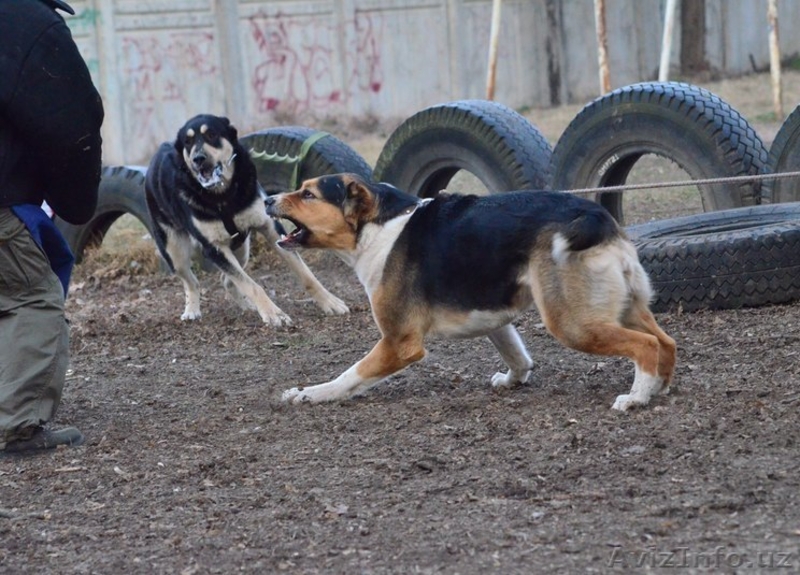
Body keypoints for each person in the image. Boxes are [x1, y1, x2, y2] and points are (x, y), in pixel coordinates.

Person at [0, 0, 104, 455]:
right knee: (30, 296)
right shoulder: (27, 24)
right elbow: (72, 124)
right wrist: (75, 201)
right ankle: (18, 425)